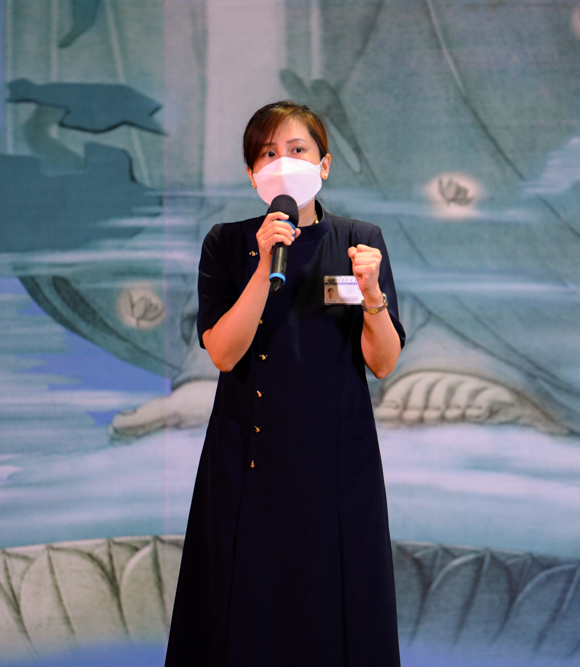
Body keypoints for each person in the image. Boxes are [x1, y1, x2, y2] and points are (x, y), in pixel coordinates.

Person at [165, 101, 405, 666]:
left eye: (297, 150)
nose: (282, 163)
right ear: (253, 174)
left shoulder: (358, 242)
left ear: (324, 165)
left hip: (336, 465)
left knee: (336, 613)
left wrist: (373, 296)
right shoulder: (226, 243)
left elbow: (383, 362)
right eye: (268, 154)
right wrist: (262, 266)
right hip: (247, 462)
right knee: (242, 613)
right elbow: (223, 352)